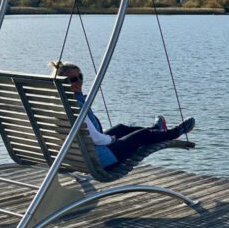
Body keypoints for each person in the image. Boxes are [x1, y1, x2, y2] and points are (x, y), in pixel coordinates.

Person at [50, 61, 194, 168]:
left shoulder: (56, 102)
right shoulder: (74, 105)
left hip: (76, 156)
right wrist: (112, 140)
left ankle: (156, 129)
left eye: (80, 76)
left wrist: (111, 138)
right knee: (141, 135)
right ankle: (173, 133)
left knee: (121, 128)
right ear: (62, 83)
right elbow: (95, 138)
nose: (79, 81)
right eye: (73, 79)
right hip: (100, 159)